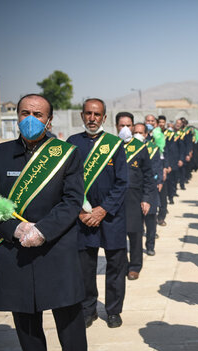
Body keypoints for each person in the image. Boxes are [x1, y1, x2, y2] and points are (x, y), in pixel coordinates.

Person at [0, 94, 87, 351]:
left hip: (56, 247)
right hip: (15, 249)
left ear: (49, 120)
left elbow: (71, 201)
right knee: (25, 319)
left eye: (38, 114)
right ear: (16, 116)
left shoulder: (66, 154)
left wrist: (43, 230)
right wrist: (12, 229)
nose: (31, 118)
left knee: (68, 316)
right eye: (25, 112)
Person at [68, 98, 128, 329]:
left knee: (115, 267)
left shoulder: (114, 144)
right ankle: (88, 309)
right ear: (82, 115)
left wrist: (103, 209)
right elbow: (68, 181)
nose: (92, 118)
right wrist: (81, 211)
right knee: (85, 267)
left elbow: (122, 182)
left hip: (111, 216)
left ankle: (113, 311)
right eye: (88, 114)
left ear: (104, 117)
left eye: (97, 114)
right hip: (82, 217)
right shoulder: (72, 143)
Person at [116, 113, 156, 280]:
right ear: (116, 126)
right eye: (121, 125)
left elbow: (148, 175)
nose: (125, 129)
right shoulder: (110, 146)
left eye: (128, 125)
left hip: (135, 197)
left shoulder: (140, 148)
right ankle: (121, 265)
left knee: (135, 234)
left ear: (133, 127)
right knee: (117, 236)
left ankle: (134, 266)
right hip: (115, 198)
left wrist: (147, 199)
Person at [136, 120, 163, 256]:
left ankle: (150, 245)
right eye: (135, 132)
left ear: (146, 134)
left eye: (140, 133)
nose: (138, 135)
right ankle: (137, 248)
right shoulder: (128, 148)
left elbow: (158, 166)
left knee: (151, 220)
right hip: (135, 191)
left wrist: (159, 181)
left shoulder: (153, 148)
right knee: (136, 223)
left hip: (150, 188)